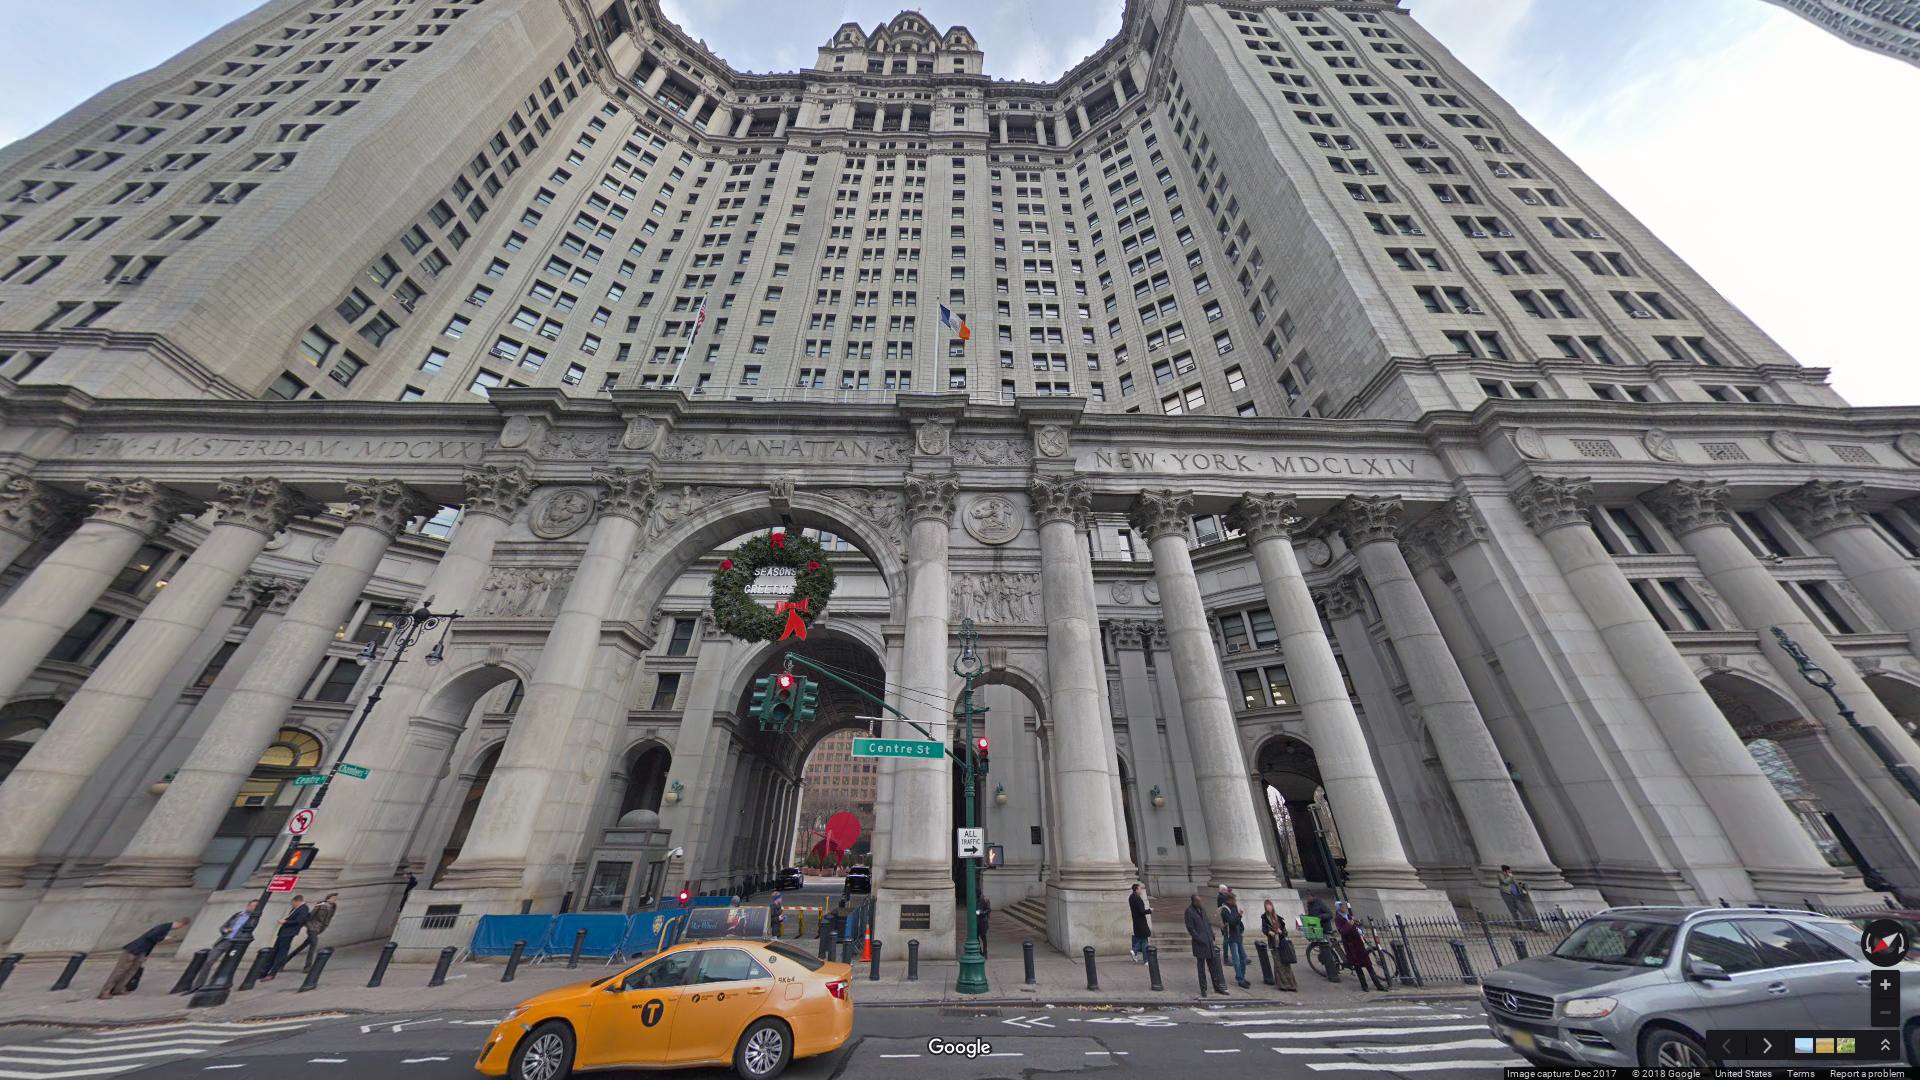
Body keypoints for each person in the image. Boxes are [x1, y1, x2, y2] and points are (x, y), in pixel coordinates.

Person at [99, 918, 188, 999]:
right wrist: (164, 938)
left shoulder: (166, 928)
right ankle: (105, 991)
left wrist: (146, 955)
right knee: (120, 971)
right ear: (181, 924)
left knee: (132, 971)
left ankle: (119, 989)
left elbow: (151, 943)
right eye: (181, 926)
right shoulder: (164, 927)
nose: (179, 928)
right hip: (133, 949)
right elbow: (151, 936)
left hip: (142, 951)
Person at [197, 901, 258, 989]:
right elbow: (223, 927)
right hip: (224, 940)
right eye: (253, 906)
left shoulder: (253, 918)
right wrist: (225, 930)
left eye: (256, 906)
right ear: (248, 906)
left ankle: (214, 982)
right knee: (209, 961)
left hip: (236, 944)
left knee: (225, 964)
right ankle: (198, 984)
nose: (254, 908)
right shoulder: (237, 915)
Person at [1184, 893, 1228, 998]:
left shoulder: (1202, 910)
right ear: (1193, 901)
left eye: (1200, 901)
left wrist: (1212, 935)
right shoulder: (1189, 912)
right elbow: (1190, 928)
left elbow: (1207, 923)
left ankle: (1217, 987)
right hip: (1199, 944)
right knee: (1201, 968)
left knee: (1213, 967)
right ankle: (1203, 989)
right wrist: (1199, 938)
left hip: (1208, 942)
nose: (1200, 903)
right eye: (1198, 901)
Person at [261, 895, 311, 980]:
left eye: (293, 903)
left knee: (281, 953)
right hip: (284, 932)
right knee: (275, 951)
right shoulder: (296, 908)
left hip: (289, 933)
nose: (292, 905)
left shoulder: (304, 909)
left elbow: (299, 921)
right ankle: (264, 971)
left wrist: (285, 921)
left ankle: (273, 972)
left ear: (297, 901)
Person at [287, 893, 336, 972]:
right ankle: (307, 967)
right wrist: (308, 925)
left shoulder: (333, 907)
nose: (334, 900)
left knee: (302, 947)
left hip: (318, 929)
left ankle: (284, 961)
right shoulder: (320, 905)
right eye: (333, 898)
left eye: (335, 898)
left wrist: (322, 928)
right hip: (312, 928)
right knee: (313, 946)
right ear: (328, 898)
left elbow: (328, 919)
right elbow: (311, 915)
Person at [1333, 900, 1375, 992]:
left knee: (1368, 964)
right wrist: (1349, 924)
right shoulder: (1337, 918)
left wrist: (1357, 923)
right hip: (1350, 945)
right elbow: (1342, 931)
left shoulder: (1347, 915)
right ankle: (1364, 986)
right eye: (1342, 907)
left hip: (1358, 942)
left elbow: (1354, 925)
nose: (1344, 908)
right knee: (1357, 966)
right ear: (1338, 908)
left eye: (1344, 906)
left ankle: (1377, 984)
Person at [1261, 899, 1297, 991]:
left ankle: (1291, 984)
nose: (1268, 908)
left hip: (1282, 943)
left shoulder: (1278, 918)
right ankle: (1283, 984)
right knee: (1278, 964)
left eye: (1269, 905)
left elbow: (1285, 932)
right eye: (1267, 906)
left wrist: (1281, 932)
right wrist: (1269, 932)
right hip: (1273, 944)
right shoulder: (1264, 918)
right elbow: (1264, 929)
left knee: (1286, 964)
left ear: (1272, 906)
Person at [1220, 890, 1252, 989]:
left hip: (1238, 935)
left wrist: (1241, 929)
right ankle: (1240, 979)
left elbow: (1238, 922)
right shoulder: (1225, 910)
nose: (1236, 901)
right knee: (1236, 959)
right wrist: (1240, 914)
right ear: (1229, 900)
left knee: (1243, 958)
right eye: (1234, 899)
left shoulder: (1234, 907)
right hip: (1231, 937)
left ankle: (1242, 976)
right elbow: (1232, 922)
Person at [1127, 884, 1152, 963]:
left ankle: (1137, 953)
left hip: (1136, 922)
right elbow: (1141, 911)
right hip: (1141, 922)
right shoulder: (1137, 898)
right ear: (1136, 889)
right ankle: (1139, 954)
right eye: (1140, 889)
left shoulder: (1131, 897)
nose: (1141, 890)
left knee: (1142, 940)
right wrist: (1150, 910)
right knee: (1144, 940)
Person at [975, 893, 992, 958]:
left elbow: (989, 909)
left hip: (983, 921)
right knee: (976, 937)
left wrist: (981, 912)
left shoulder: (985, 900)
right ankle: (980, 951)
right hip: (977, 921)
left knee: (983, 937)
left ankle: (985, 953)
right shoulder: (975, 900)